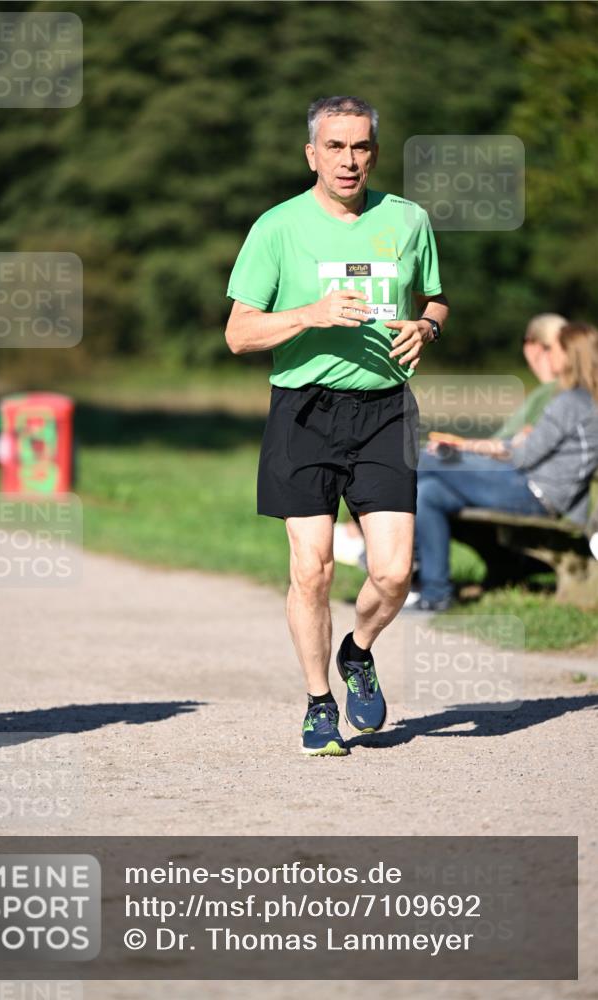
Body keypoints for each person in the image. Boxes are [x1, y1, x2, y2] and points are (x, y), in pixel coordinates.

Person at [225, 96, 449, 756]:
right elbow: (238, 333)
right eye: (334, 147)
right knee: (313, 570)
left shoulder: (407, 220)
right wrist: (309, 314)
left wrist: (427, 326)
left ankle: (357, 651)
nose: (348, 160)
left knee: (393, 572)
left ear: (373, 152)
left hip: (385, 410)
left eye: (360, 147)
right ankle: (318, 703)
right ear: (311, 154)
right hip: (303, 412)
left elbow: (434, 295)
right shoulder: (277, 227)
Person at [335, 312, 567, 570]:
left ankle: (375, 546)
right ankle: (412, 570)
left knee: (417, 460)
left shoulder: (556, 393)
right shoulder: (552, 392)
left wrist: (465, 448)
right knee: (426, 484)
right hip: (512, 475)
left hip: (521, 482)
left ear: (533, 347)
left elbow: (519, 447)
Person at [406, 322, 598, 611]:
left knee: (425, 459)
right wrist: (472, 448)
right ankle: (436, 593)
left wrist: (470, 450)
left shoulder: (570, 402)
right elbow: (525, 449)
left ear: (570, 355)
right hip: (531, 486)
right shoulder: (580, 400)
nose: (549, 356)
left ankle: (393, 558)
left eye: (554, 350)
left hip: (535, 493)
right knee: (429, 493)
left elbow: (523, 457)